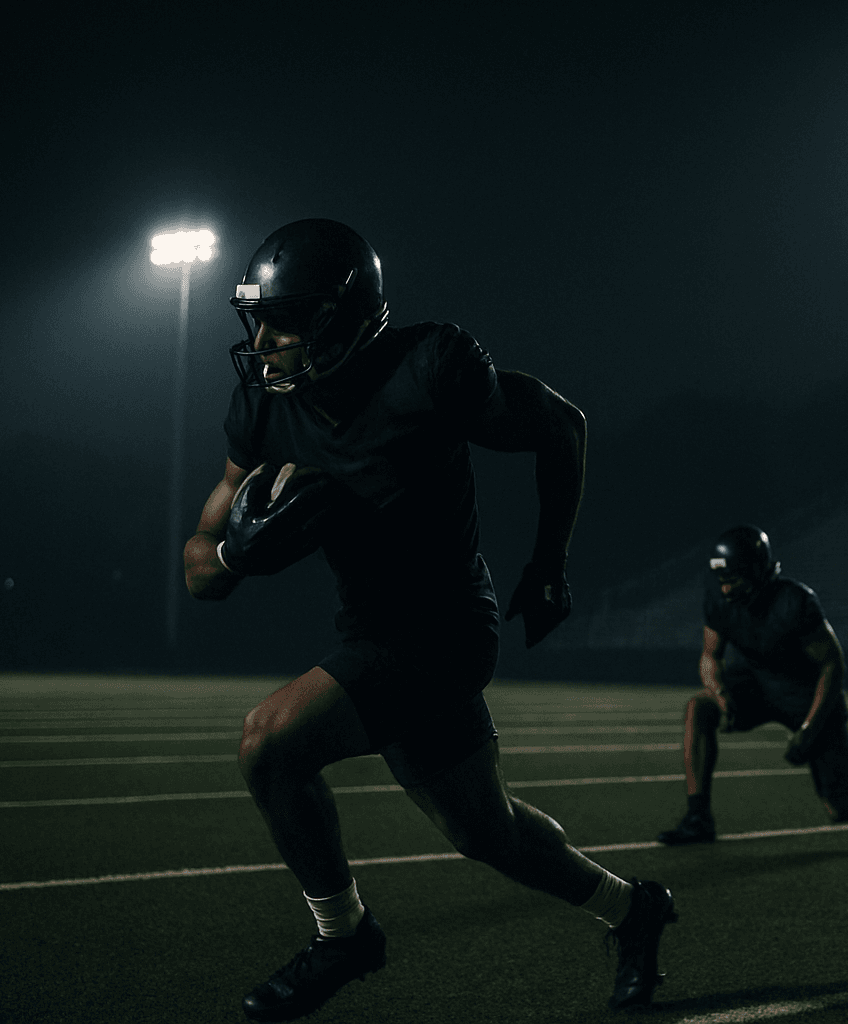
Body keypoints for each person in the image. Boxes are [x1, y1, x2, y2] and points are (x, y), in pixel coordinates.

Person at [184, 219, 676, 1021]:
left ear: (342, 318)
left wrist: (549, 563)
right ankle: (635, 910)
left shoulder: (427, 367)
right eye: (258, 318)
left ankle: (343, 935)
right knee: (488, 834)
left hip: (447, 628)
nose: (265, 339)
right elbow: (199, 559)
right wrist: (235, 558)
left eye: (287, 318)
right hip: (371, 632)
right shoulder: (266, 410)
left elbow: (562, 425)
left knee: (268, 743)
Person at [655, 525, 848, 844]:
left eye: (734, 580)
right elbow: (710, 655)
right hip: (758, 687)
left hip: (809, 697)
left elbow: (832, 665)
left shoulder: (796, 601)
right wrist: (720, 692)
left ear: (757, 571)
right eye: (722, 581)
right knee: (698, 707)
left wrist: (809, 729)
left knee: (841, 808)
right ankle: (698, 818)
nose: (726, 590)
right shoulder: (718, 598)